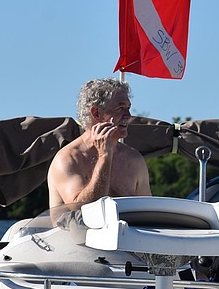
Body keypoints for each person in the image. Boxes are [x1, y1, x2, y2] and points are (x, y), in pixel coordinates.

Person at [47, 78, 152, 211]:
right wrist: (104, 157)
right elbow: (82, 210)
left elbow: (147, 212)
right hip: (77, 232)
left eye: (128, 108)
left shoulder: (134, 160)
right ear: (96, 113)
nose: (128, 115)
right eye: (121, 108)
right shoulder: (67, 159)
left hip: (125, 232)